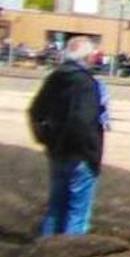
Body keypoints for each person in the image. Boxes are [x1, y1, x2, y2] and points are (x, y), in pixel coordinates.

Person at [28, 36, 107, 236]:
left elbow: (35, 111)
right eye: (92, 54)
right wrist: (91, 155)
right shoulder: (85, 82)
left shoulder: (55, 77)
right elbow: (82, 120)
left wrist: (47, 139)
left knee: (55, 209)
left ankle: (45, 253)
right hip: (79, 154)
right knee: (77, 213)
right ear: (87, 56)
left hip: (57, 153)